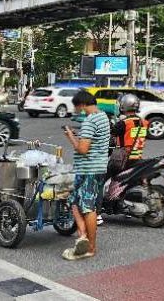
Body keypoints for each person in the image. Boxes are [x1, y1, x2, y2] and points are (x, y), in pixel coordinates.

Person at [62, 90, 110, 260]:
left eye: (76, 107)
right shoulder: (103, 117)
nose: (76, 111)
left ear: (82, 105)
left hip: (89, 169)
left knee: (88, 207)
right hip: (96, 168)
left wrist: (70, 137)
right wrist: (78, 136)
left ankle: (91, 247)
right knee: (74, 200)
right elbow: (93, 142)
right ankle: (82, 235)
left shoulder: (89, 121)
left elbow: (83, 149)